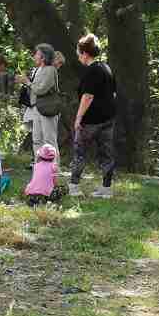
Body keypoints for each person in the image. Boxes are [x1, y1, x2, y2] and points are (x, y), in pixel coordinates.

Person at [69, 34, 116, 199]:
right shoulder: (106, 68)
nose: (78, 56)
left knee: (80, 153)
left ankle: (74, 186)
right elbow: (113, 94)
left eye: (78, 53)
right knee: (106, 155)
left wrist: (78, 118)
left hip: (90, 121)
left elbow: (88, 96)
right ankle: (106, 188)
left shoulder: (91, 71)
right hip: (108, 119)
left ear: (85, 53)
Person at [27, 44, 61, 155]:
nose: (34, 56)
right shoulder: (38, 69)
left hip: (48, 108)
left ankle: (53, 165)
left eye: (37, 54)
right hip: (36, 107)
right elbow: (34, 88)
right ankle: (39, 164)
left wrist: (27, 82)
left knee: (49, 140)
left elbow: (41, 90)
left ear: (43, 57)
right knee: (37, 140)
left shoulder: (50, 70)